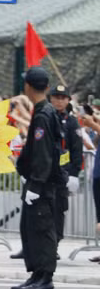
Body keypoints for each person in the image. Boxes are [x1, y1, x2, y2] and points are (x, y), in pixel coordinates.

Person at [12, 67, 59, 289]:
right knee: (31, 230)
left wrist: (37, 185)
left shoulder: (43, 115)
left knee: (42, 230)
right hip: (37, 182)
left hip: (41, 185)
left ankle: (45, 277)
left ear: (27, 87)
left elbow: (43, 154)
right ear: (47, 88)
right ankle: (37, 274)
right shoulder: (43, 111)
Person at [49, 85, 84, 247]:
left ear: (68, 100)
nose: (59, 101)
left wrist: (74, 174)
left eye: (63, 98)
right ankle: (32, 245)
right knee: (38, 211)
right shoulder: (45, 118)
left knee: (57, 209)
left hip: (62, 173)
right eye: (56, 97)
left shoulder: (71, 123)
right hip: (44, 172)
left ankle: (54, 243)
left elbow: (77, 149)